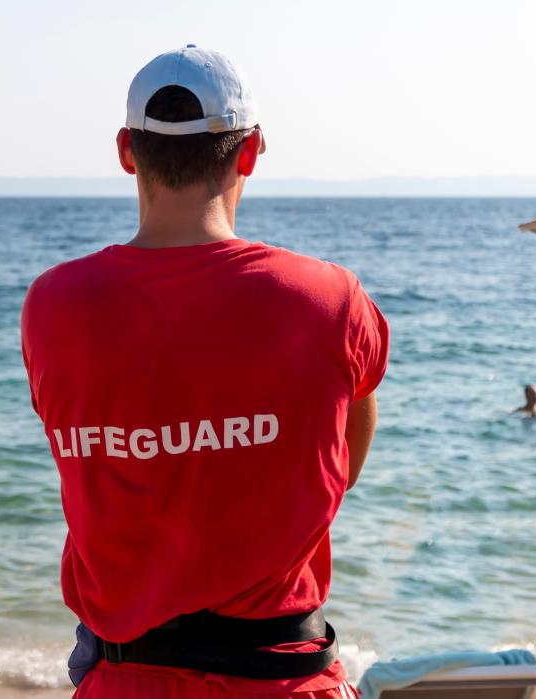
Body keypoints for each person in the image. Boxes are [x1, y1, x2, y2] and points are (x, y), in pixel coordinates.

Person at [21, 45, 388, 699]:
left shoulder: (53, 305)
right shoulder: (329, 300)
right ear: (250, 153)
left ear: (127, 152)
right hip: (283, 677)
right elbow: (342, 465)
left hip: (123, 678)